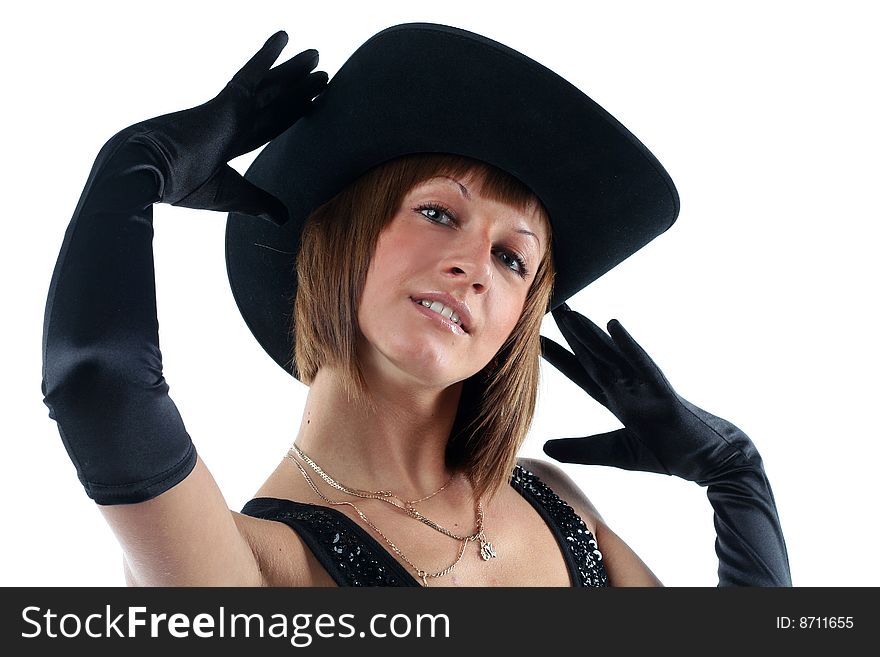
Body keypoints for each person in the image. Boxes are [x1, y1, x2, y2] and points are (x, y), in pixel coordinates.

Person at [41, 24, 790, 587]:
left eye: (511, 258)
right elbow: (97, 384)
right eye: (438, 213)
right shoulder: (255, 566)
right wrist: (132, 167)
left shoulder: (555, 503)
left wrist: (736, 478)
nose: (473, 267)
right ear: (343, 239)